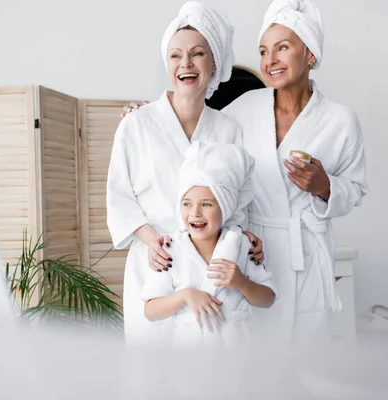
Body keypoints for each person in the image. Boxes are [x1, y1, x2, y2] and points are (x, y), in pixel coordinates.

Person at [122, 0, 368, 342]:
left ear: (310, 54)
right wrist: (146, 113)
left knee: (308, 355)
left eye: (283, 48)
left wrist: (326, 186)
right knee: (260, 359)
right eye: (264, 51)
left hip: (306, 251)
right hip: (254, 251)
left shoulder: (341, 120)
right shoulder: (241, 111)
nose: (270, 60)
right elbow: (197, 135)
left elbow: (354, 190)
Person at [106, 1, 263, 347]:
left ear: (214, 62)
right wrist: (151, 241)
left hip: (208, 271)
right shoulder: (136, 124)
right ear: (167, 64)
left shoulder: (228, 129)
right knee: (152, 378)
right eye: (175, 56)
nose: (185, 64)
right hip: (156, 267)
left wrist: (244, 240)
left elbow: (238, 205)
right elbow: (119, 198)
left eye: (197, 54)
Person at [141, 141, 276, 349]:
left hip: (239, 353)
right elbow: (150, 311)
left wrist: (241, 282)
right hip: (190, 356)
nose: (195, 213)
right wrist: (186, 295)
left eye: (206, 204)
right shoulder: (170, 249)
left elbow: (268, 299)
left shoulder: (242, 244)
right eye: (187, 204)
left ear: (226, 206)